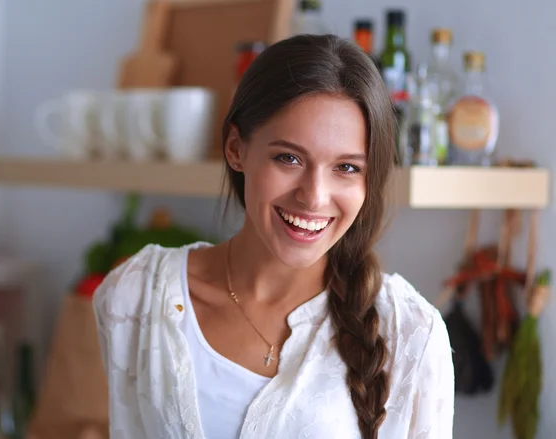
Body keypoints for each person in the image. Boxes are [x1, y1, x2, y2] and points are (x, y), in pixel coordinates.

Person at [92, 34, 454, 439]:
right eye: (289, 158)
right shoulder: (137, 297)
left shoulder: (411, 333)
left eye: (347, 168)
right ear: (236, 148)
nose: (314, 196)